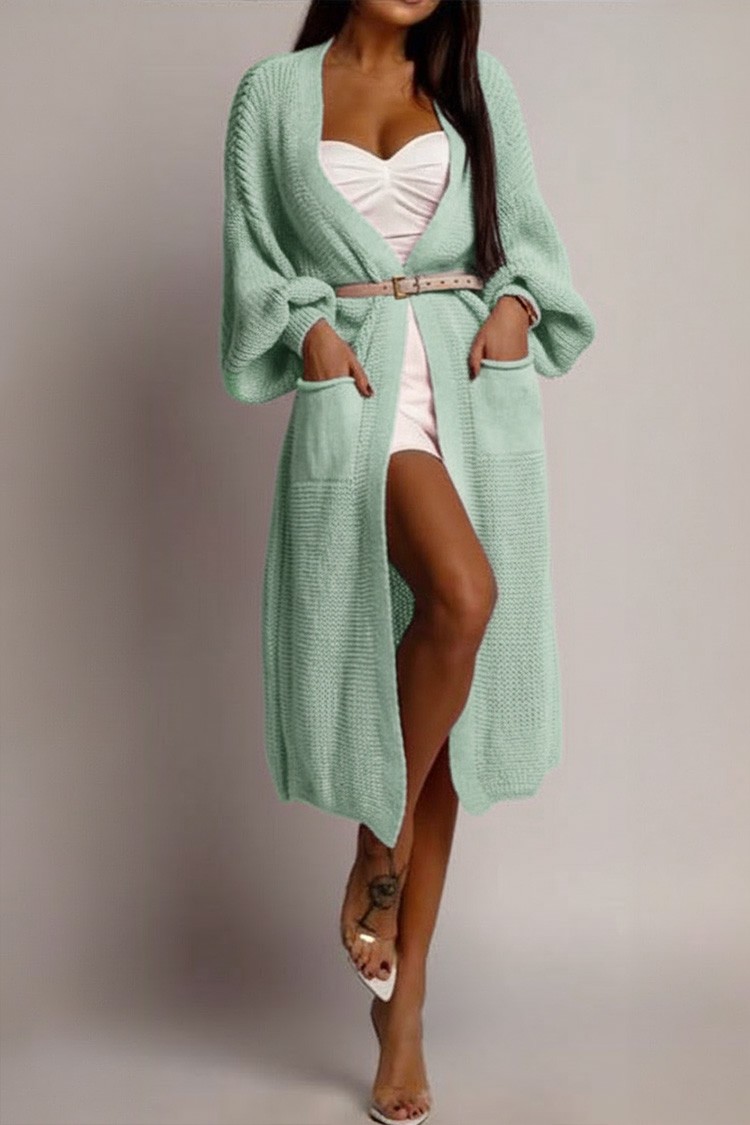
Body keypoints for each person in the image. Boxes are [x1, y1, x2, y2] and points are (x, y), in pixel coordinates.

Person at [220, 2, 596, 1121]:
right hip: (361, 392)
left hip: (467, 391)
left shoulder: (478, 88)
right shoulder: (273, 97)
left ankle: (405, 1002)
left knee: (449, 695)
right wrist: (307, 329)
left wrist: (516, 304)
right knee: (463, 598)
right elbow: (254, 258)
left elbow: (525, 239)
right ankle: (377, 848)